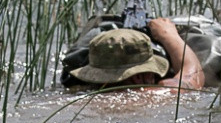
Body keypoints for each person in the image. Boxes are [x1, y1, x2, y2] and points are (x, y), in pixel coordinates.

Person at [67, 19, 205, 91]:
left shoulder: (80, 103)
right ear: (139, 77)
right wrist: (168, 34)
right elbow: (194, 74)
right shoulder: (159, 95)